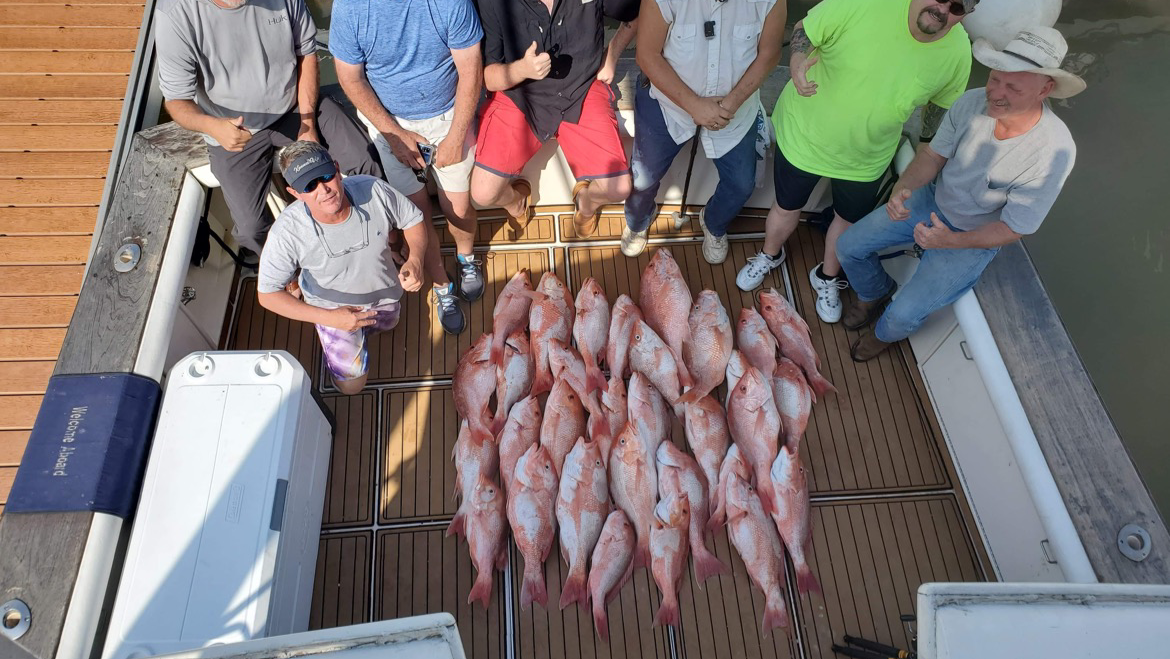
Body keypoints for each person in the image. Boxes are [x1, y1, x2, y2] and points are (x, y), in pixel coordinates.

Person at [837, 26, 1084, 361]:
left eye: (1013, 86)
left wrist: (946, 241)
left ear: (1046, 89)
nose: (995, 92)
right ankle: (874, 291)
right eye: (995, 78)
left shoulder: (1054, 152)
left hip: (972, 235)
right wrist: (903, 188)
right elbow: (931, 156)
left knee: (902, 317)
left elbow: (1015, 228)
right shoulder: (970, 102)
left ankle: (882, 336)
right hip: (931, 200)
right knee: (848, 246)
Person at [735, 0, 974, 325]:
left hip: (867, 160)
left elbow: (938, 112)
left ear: (967, 13)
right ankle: (769, 255)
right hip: (803, 138)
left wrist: (924, 161)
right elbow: (804, 28)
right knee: (785, 207)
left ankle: (827, 276)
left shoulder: (959, 53)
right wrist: (798, 60)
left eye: (958, 6)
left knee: (846, 221)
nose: (943, 9)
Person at [155, 0, 382, 259]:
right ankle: (289, 276)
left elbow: (306, 52)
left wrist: (307, 123)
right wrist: (213, 126)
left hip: (296, 104)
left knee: (364, 159)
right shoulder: (173, 14)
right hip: (232, 129)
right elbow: (175, 100)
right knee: (250, 229)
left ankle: (386, 238)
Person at [330, 0, 484, 334]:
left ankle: (466, 259)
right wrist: (395, 135)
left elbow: (471, 68)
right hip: (390, 125)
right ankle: (443, 286)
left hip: (449, 116)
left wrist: (457, 135)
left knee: (458, 206)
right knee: (416, 214)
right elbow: (350, 79)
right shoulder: (349, 8)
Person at [257, 141, 430, 394]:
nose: (323, 189)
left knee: (391, 324)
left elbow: (413, 220)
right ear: (295, 193)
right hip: (330, 312)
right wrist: (331, 318)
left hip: (387, 295)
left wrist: (416, 259)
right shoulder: (286, 232)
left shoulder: (374, 189)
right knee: (351, 386)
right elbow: (267, 295)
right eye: (309, 185)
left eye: (326, 176)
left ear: (337, 170)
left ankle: (365, 334)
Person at [621, 0, 786, 261]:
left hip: (735, 110)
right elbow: (647, 54)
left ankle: (713, 223)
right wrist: (694, 105)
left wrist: (732, 102)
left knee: (742, 184)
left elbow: (769, 53)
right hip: (668, 105)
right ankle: (638, 221)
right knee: (642, 179)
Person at [471, 0, 634, 237]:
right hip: (521, 95)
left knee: (620, 188)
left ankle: (586, 203)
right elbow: (488, 77)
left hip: (582, 89)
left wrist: (612, 55)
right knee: (483, 192)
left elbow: (644, 10)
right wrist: (520, 70)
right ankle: (516, 202)